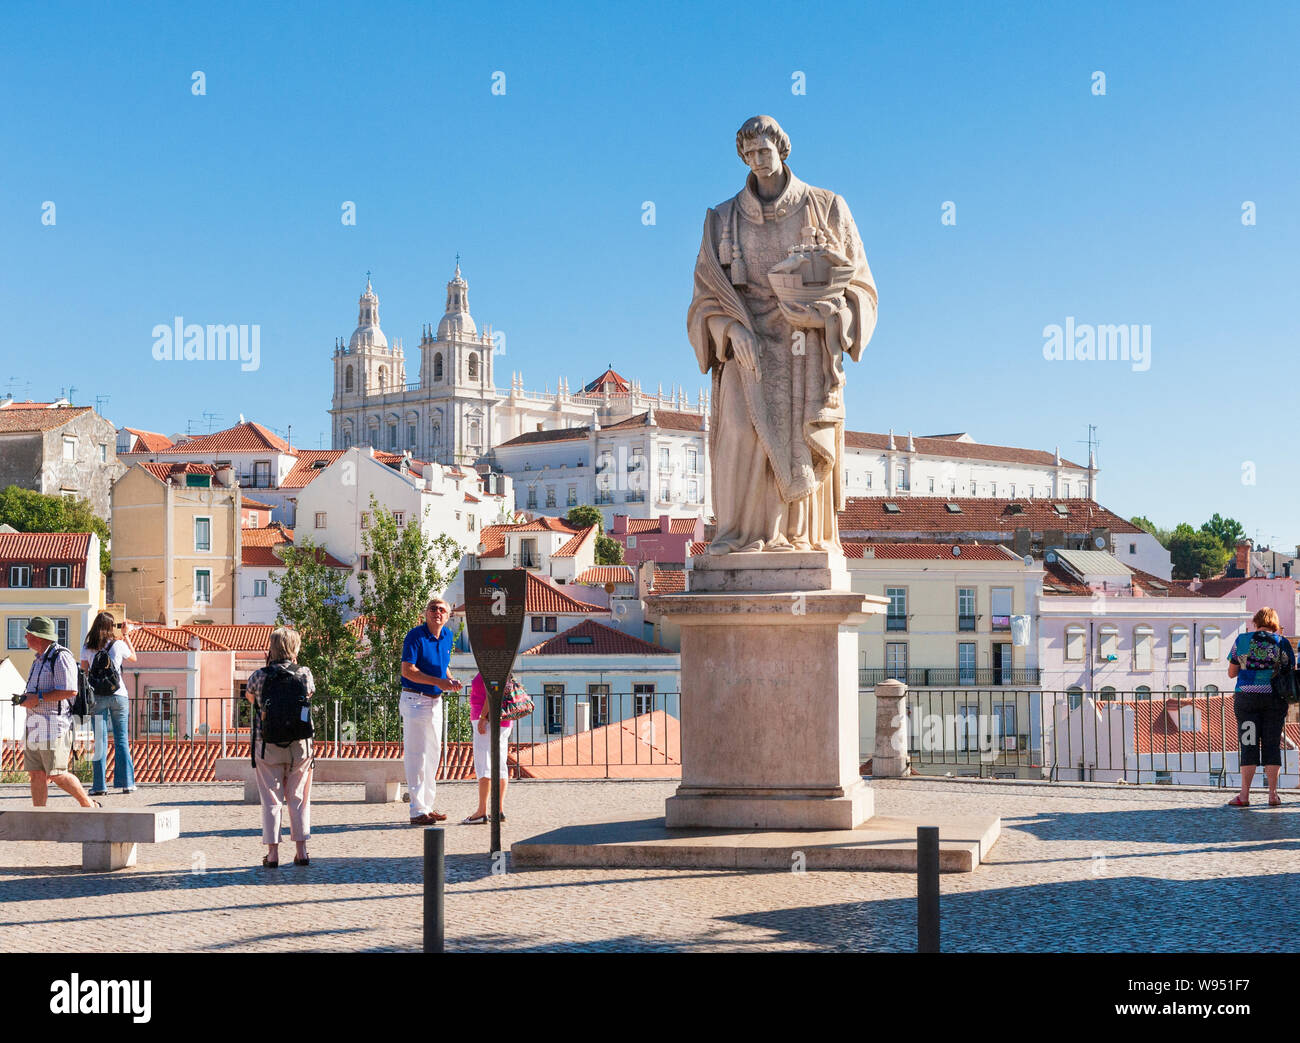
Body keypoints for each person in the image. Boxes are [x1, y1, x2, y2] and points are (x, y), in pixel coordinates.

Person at [687, 114, 877, 553]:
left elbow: (863, 287)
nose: (757, 161)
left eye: (764, 151)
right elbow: (703, 300)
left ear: (783, 149)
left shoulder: (827, 207)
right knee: (739, 431)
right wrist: (729, 329)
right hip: (745, 346)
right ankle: (743, 537)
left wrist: (832, 319)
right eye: (748, 154)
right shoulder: (721, 219)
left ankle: (798, 538)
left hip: (806, 348)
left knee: (798, 440)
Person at [245, 626, 314, 868]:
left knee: (271, 799)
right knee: (298, 798)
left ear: (271, 648)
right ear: (294, 648)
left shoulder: (259, 675)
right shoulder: (304, 673)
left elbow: (251, 699)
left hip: (267, 744)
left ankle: (272, 854)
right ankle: (302, 851)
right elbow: (309, 695)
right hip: (300, 746)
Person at [17, 617, 96, 808]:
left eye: (29, 633)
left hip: (54, 725)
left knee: (57, 773)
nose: (26, 636)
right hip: (34, 724)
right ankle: (39, 817)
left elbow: (70, 691)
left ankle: (88, 805)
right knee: (36, 773)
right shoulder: (38, 660)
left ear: (39, 636)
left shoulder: (61, 657)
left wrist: (37, 698)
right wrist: (26, 698)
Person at [400, 598, 463, 826]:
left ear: (448, 616)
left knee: (434, 754)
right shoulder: (415, 636)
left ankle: (426, 804)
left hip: (436, 701)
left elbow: (443, 664)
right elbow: (408, 670)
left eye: (442, 610)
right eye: (433, 609)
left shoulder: (447, 636)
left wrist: (449, 679)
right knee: (417, 755)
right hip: (415, 699)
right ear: (425, 613)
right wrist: (440, 681)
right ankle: (417, 810)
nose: (437, 612)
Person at [1227, 607, 1295, 807]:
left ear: (1255, 622)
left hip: (1246, 699)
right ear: (1275, 623)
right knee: (1272, 745)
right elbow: (1290, 670)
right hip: (1274, 700)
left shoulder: (1242, 640)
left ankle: (1244, 795)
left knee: (1248, 744)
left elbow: (1231, 672)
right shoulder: (1282, 642)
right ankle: (1273, 795)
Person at [80, 612, 137, 796]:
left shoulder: (88, 647)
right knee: (121, 739)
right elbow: (134, 658)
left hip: (97, 697)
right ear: (112, 627)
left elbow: (84, 671)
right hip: (119, 695)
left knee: (100, 742)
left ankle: (99, 786)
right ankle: (127, 784)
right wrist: (126, 635)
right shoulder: (118, 644)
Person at [461, 672, 513, 825]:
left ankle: (481, 811)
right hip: (503, 721)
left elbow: (493, 692)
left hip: (488, 720)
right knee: (500, 765)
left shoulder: (490, 665)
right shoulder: (503, 662)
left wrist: (483, 718)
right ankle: (498, 810)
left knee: (484, 765)